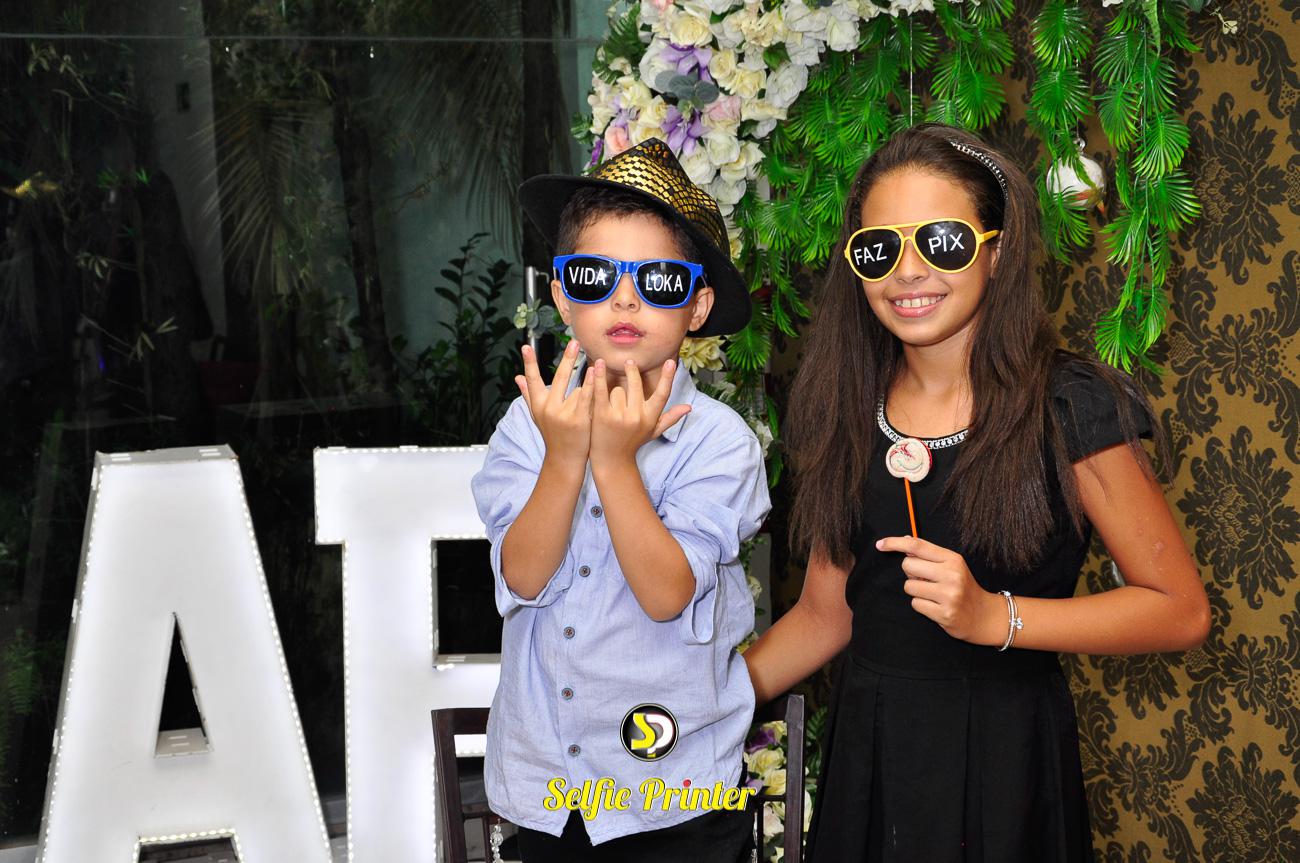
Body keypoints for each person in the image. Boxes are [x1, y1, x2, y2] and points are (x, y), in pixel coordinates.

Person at [740, 123, 1210, 862]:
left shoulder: (1069, 404)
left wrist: (997, 616)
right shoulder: (842, 404)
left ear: (996, 250)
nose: (908, 272)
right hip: (873, 757)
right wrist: (698, 705)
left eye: (943, 242)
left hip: (1004, 759)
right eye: (879, 249)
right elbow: (827, 614)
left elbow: (1179, 609)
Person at [471, 138, 769, 863]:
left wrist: (611, 460)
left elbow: (667, 594)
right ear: (562, 294)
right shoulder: (528, 425)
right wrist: (564, 456)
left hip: (679, 795)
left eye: (660, 280)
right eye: (596, 275)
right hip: (550, 787)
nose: (626, 299)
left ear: (697, 306)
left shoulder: (720, 443)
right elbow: (524, 575)